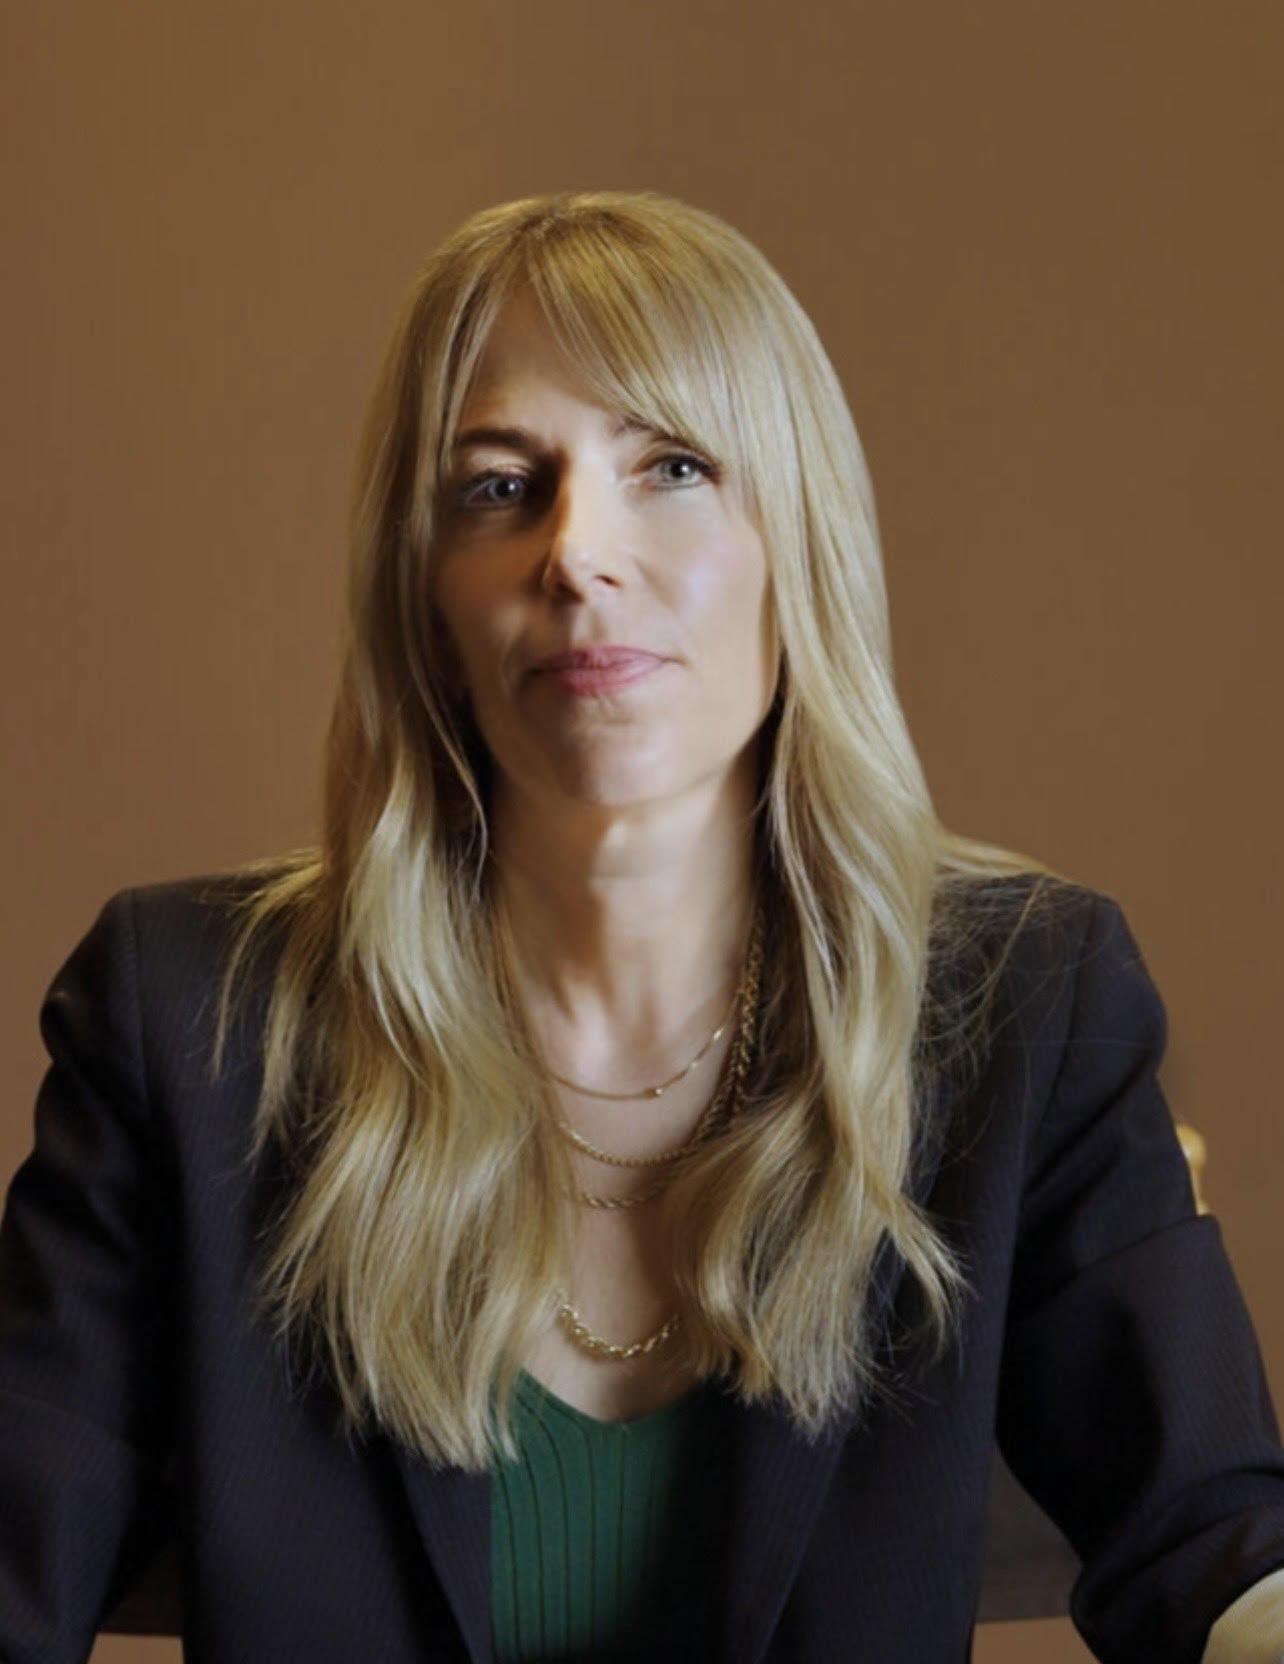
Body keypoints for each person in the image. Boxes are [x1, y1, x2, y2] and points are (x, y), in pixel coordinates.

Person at [2, 189, 1283, 1663]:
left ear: (797, 543)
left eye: (672, 464)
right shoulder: (188, 1022)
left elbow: (1215, 1545)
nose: (577, 554)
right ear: (424, 594)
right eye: (498, 486)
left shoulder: (1024, 1004)